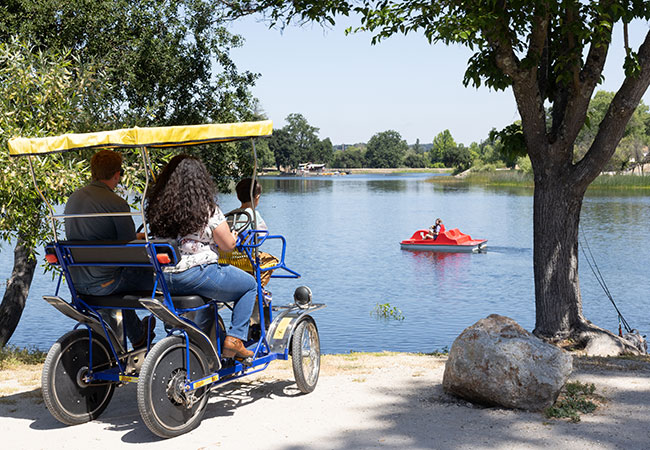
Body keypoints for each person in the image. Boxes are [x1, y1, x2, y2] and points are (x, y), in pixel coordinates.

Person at [145, 155, 257, 359]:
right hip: (197, 275)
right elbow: (228, 246)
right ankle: (235, 339)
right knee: (249, 285)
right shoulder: (207, 208)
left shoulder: (158, 207)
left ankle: (203, 344)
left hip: (163, 279)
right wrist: (233, 236)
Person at [64, 149, 155, 348]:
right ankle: (176, 334)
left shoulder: (73, 199)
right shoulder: (116, 202)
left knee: (116, 271)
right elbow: (130, 248)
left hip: (77, 281)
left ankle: (139, 336)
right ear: (116, 175)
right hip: (106, 282)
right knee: (159, 275)